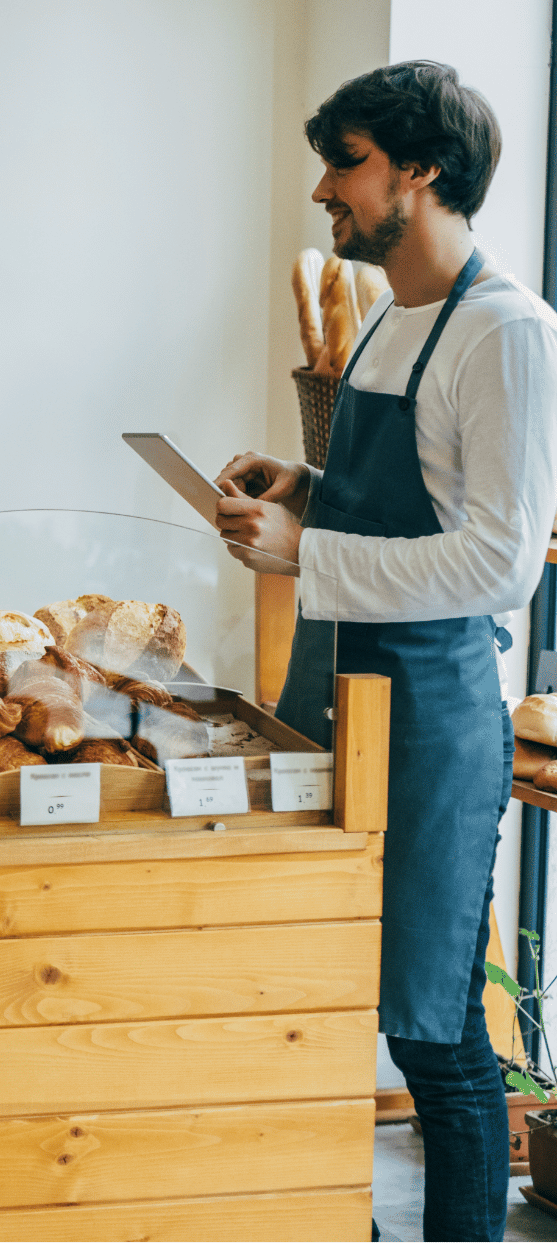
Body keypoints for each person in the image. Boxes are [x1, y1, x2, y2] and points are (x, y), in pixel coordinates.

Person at [216, 61, 557, 1241]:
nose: (324, 187)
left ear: (421, 170)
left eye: (345, 160)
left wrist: (299, 552)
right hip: (336, 695)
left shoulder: (507, 332)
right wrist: (294, 486)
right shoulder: (387, 318)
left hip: (426, 719)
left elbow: (495, 563)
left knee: (434, 1032)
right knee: (316, 990)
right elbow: (388, 506)